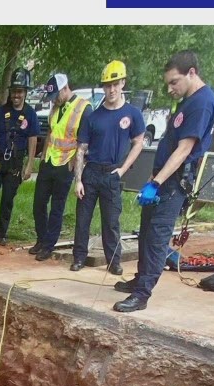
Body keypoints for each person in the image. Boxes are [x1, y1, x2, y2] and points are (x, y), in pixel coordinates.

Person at [116, 51, 214, 313]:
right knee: (146, 231)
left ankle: (142, 295)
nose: (170, 88)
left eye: (174, 82)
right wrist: (152, 177)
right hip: (162, 178)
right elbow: (170, 143)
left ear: (192, 73)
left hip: (173, 183)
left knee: (157, 237)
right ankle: (140, 279)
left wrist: (157, 183)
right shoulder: (188, 101)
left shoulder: (202, 103)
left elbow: (185, 149)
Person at [69, 60, 145, 275]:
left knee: (111, 222)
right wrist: (79, 180)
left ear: (122, 83)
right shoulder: (93, 116)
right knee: (82, 219)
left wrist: (122, 169)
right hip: (91, 172)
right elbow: (81, 148)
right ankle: (79, 257)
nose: (111, 89)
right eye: (107, 85)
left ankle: (114, 261)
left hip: (112, 174)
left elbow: (138, 142)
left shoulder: (132, 114)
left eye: (115, 84)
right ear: (103, 86)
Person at [27, 73, 86, 261]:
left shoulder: (83, 108)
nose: (54, 101)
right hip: (49, 161)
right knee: (39, 203)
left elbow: (83, 142)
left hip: (66, 164)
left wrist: (76, 167)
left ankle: (49, 245)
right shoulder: (55, 106)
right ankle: (41, 238)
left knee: (56, 208)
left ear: (65, 88)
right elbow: (52, 132)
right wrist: (43, 156)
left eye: (56, 96)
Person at [0, 69, 39, 245]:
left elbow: (33, 140)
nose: (16, 95)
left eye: (19, 91)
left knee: (7, 200)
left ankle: (1, 234)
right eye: (14, 91)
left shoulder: (30, 115)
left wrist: (29, 166)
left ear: (25, 92)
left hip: (15, 164)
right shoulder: (2, 111)